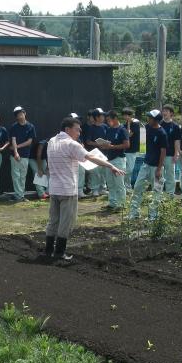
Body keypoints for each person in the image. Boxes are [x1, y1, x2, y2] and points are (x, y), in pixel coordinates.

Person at [44, 116, 125, 263]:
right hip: (68, 189)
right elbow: (90, 158)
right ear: (67, 129)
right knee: (66, 222)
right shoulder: (71, 144)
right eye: (77, 129)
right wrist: (110, 166)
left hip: (54, 188)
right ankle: (60, 252)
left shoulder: (51, 141)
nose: (79, 132)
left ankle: (48, 250)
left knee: (53, 220)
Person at [127, 110, 168, 220]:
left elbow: (163, 152)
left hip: (157, 167)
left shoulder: (162, 133)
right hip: (145, 165)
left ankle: (153, 215)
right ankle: (134, 213)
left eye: (150, 117)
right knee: (137, 187)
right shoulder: (146, 128)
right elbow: (142, 144)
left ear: (156, 120)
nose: (148, 119)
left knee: (157, 191)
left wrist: (159, 169)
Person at [103, 111, 130, 211]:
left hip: (119, 159)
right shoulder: (109, 130)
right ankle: (112, 202)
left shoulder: (122, 130)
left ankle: (121, 204)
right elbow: (108, 143)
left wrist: (112, 146)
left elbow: (127, 145)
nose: (108, 122)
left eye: (109, 120)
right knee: (110, 182)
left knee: (119, 182)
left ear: (115, 119)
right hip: (109, 159)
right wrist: (104, 144)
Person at [9, 106, 36, 201]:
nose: (20, 116)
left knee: (23, 175)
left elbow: (29, 141)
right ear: (16, 117)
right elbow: (13, 139)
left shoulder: (30, 126)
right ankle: (19, 195)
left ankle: (21, 195)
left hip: (25, 154)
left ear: (25, 113)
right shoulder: (14, 127)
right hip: (14, 155)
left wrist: (17, 147)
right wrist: (15, 152)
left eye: (21, 113)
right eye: (18, 115)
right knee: (15, 175)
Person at [84, 108, 109, 196]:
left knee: (103, 171)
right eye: (101, 115)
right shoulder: (91, 128)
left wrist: (106, 143)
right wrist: (97, 144)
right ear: (96, 117)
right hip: (95, 153)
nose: (103, 117)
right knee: (95, 171)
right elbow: (88, 141)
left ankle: (102, 188)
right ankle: (95, 189)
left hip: (104, 152)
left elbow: (108, 139)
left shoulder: (105, 126)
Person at [160, 105, 181, 196]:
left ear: (171, 113)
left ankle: (170, 194)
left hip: (170, 154)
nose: (164, 113)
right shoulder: (159, 124)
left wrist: (176, 153)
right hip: (159, 154)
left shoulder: (175, 126)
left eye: (166, 111)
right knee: (158, 174)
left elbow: (177, 141)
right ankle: (158, 193)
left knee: (170, 175)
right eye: (163, 111)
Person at [122, 108, 142, 189]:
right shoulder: (124, 124)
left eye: (127, 115)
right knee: (126, 167)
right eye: (124, 115)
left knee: (130, 168)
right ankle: (126, 185)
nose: (125, 117)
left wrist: (129, 123)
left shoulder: (135, 123)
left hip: (133, 148)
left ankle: (126, 185)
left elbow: (129, 135)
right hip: (125, 149)